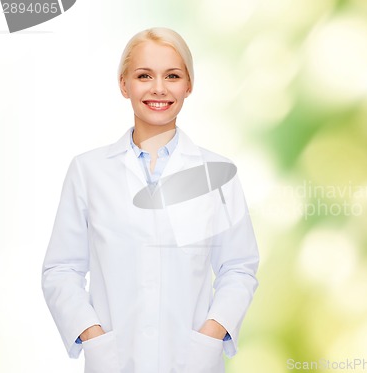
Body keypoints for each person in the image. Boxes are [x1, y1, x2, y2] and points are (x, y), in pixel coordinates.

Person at [42, 27, 259, 373]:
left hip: (192, 360)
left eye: (172, 76)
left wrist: (210, 335)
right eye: (144, 75)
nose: (159, 88)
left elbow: (239, 268)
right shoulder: (88, 171)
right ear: (124, 84)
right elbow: (62, 269)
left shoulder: (217, 172)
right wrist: (94, 336)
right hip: (114, 359)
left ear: (189, 85)